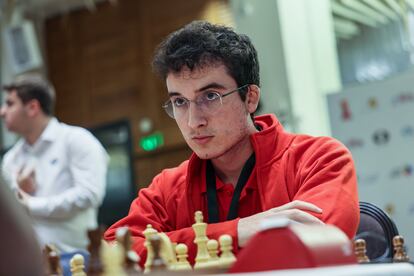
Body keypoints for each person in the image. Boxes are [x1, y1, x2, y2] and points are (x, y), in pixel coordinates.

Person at [104, 21, 359, 264]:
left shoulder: (320, 159)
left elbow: (313, 246)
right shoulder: (167, 188)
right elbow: (115, 250)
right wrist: (239, 231)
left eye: (211, 96)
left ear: (250, 97)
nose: (194, 121)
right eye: (179, 102)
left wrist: (185, 247)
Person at [1, 74, 108, 253]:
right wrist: (16, 191)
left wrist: (31, 204)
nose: (2, 112)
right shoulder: (10, 159)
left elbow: (90, 194)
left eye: (10, 104)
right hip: (28, 264)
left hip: (77, 260)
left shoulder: (77, 140)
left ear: (33, 107)